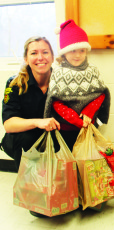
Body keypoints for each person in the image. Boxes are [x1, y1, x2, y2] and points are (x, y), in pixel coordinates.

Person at [43, 19, 110, 149]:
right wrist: (76, 120)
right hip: (65, 130)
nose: (78, 55)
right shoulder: (58, 72)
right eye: (73, 51)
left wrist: (89, 112)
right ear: (64, 52)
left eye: (82, 51)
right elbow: (55, 102)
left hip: (88, 128)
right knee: (68, 166)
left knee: (87, 164)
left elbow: (101, 94)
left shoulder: (92, 70)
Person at [1, 36, 59, 171]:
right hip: (25, 138)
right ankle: (28, 185)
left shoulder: (63, 80)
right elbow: (9, 124)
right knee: (24, 138)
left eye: (45, 52)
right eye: (34, 53)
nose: (40, 57)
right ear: (26, 59)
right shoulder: (14, 83)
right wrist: (37, 122)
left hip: (54, 136)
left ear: (52, 57)